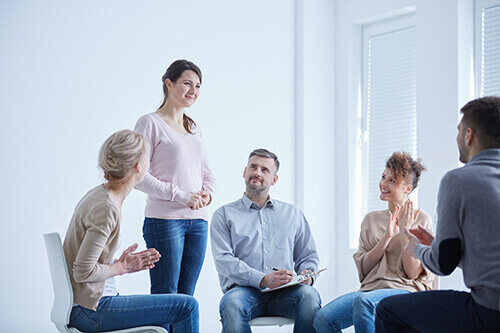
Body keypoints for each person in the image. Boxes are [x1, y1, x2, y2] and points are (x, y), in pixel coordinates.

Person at [375, 97, 500, 332]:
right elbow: (489, 258)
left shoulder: (459, 180)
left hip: (489, 311)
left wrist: (415, 248)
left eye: (459, 131)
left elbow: (443, 265)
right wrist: (435, 245)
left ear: (468, 135)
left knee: (387, 310)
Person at [63, 130, 199, 332]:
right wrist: (121, 268)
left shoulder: (102, 196)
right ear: (138, 166)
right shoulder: (106, 208)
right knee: (187, 306)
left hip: (87, 305)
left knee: (173, 309)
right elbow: (82, 271)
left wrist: (118, 263)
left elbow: (87, 262)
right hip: (91, 310)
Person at [314, 152, 435, 333]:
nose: (383, 184)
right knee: (323, 319)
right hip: (370, 291)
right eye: (383, 177)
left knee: (363, 304)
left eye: (392, 181)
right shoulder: (370, 219)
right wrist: (386, 237)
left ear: (407, 189)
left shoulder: (421, 219)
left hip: (406, 291)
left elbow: (412, 274)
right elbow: (363, 271)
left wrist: (404, 231)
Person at [211, 149, 321, 332]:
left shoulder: (293, 214)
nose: (257, 173)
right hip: (243, 292)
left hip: (285, 293)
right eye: (253, 167)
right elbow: (224, 261)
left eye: (265, 170)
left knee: (309, 296)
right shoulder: (223, 215)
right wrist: (263, 279)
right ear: (244, 172)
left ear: (274, 179)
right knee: (230, 304)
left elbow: (308, 256)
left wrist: (307, 276)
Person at [134, 60, 216, 296]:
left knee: (186, 298)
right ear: (169, 84)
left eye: (198, 86)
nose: (194, 91)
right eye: (187, 83)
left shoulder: (194, 127)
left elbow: (207, 173)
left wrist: (206, 195)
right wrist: (182, 197)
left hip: (198, 222)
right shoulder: (149, 123)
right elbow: (138, 176)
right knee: (166, 296)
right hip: (164, 221)